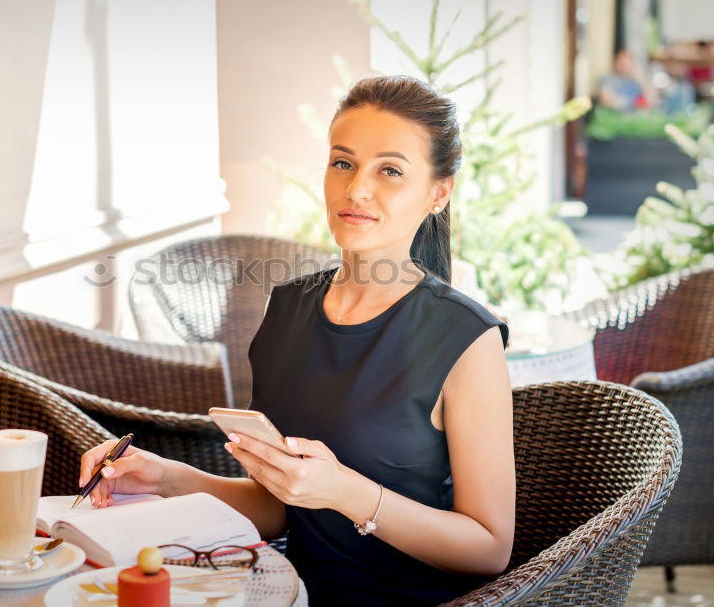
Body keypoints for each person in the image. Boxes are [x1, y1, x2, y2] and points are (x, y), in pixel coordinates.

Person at [79, 75, 515, 605]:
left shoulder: (465, 337)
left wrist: (349, 493)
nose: (356, 189)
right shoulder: (288, 309)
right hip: (286, 592)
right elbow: (278, 507)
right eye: (343, 163)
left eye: (390, 171)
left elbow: (490, 548)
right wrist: (165, 477)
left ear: (437, 193)